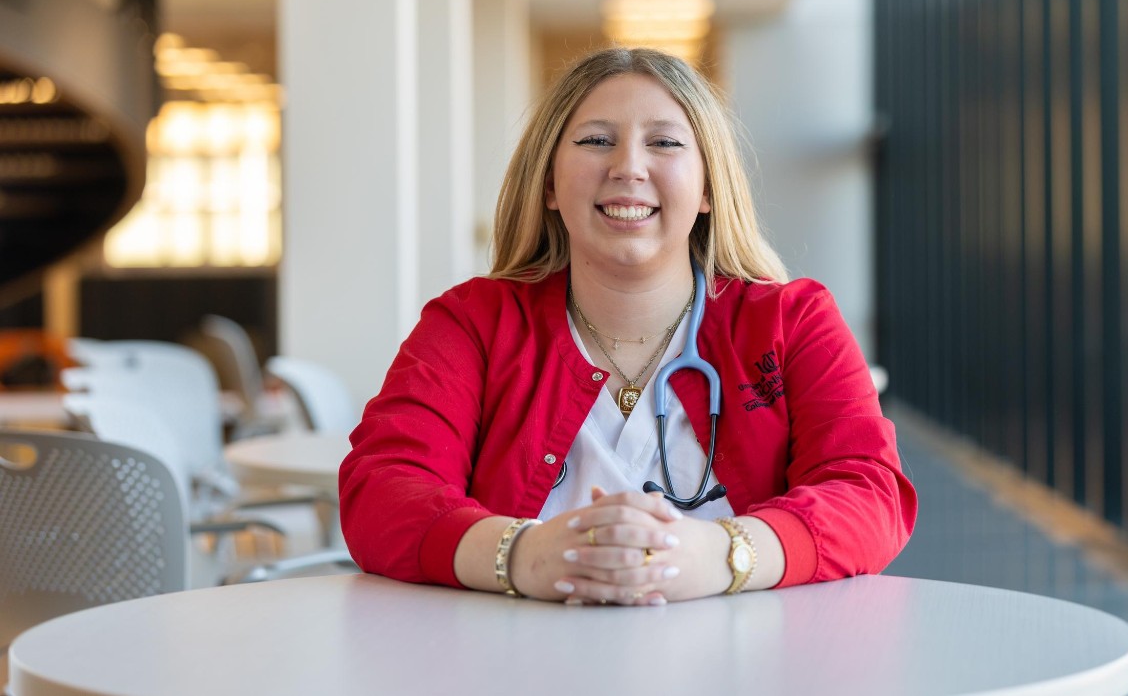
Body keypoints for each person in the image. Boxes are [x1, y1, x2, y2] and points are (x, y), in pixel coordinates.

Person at [339, 47, 916, 605]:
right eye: (595, 141)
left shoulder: (793, 320)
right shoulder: (471, 323)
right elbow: (382, 489)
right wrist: (524, 555)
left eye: (663, 142)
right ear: (548, 184)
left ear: (709, 187)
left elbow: (868, 491)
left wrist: (721, 555)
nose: (628, 168)